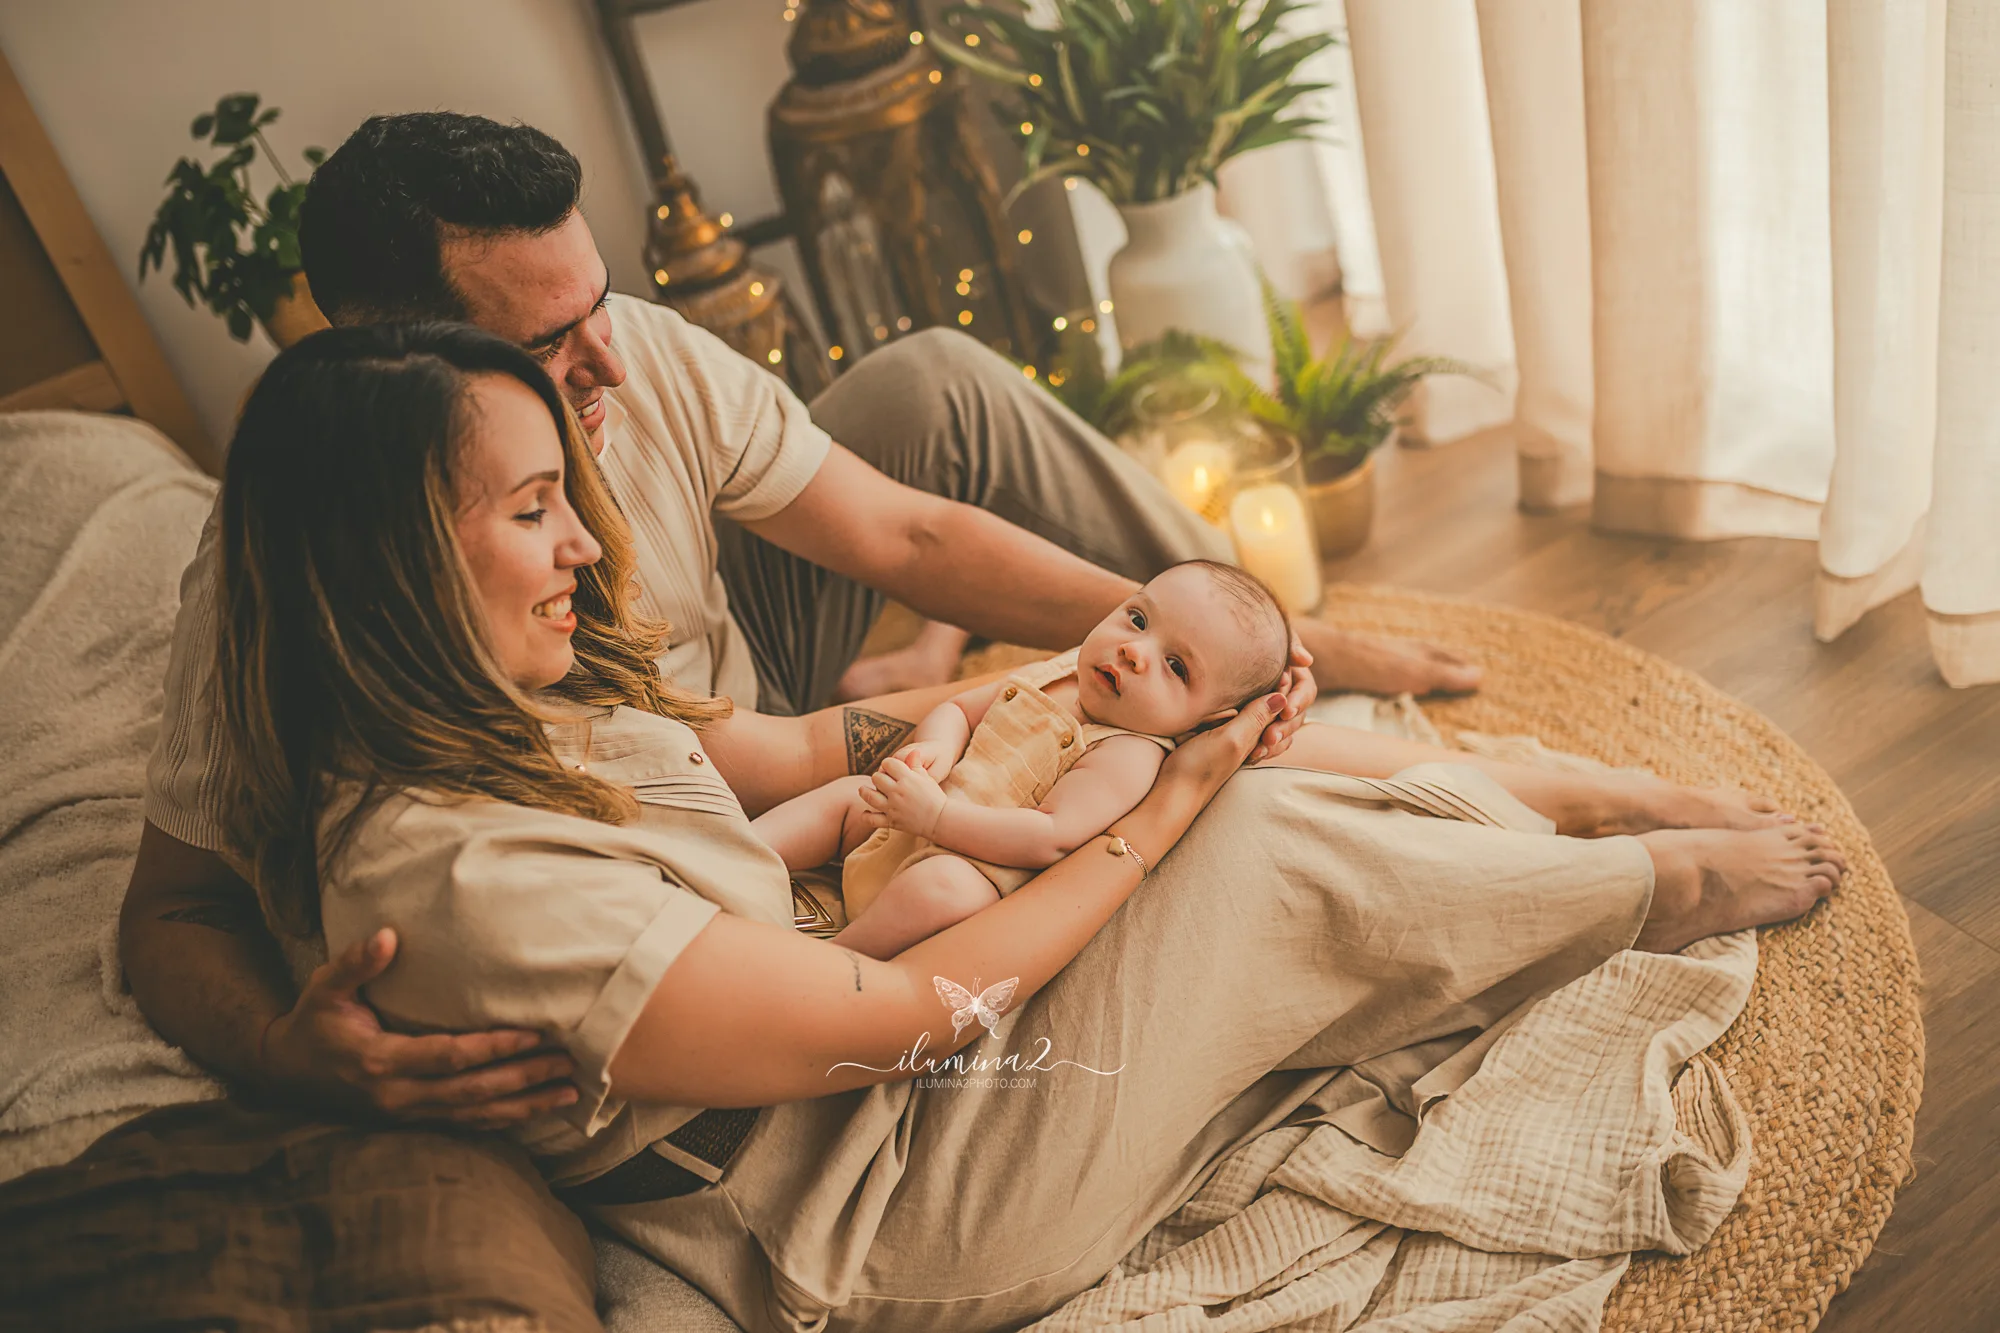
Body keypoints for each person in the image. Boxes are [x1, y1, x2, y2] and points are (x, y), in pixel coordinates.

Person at [206, 325, 1840, 1331]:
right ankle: (1636, 880)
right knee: (1234, 840)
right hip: (862, 1203)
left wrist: (1017, 699)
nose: (581, 541)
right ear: (392, 556)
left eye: (568, 490)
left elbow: (772, 760)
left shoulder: (522, 699)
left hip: (867, 1045)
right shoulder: (465, 874)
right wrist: (1162, 804)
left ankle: (1528, 814)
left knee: (1208, 790)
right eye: (530, 506)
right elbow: (920, 1011)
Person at [122, 110, 1484, 1129]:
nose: (610, 359)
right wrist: (279, 1050)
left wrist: (1169, 669)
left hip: (749, 705)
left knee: (941, 383)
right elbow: (173, 909)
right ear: (401, 361)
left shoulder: (627, 350)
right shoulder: (297, 600)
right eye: (549, 344)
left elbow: (904, 531)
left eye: (600, 304)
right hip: (712, 775)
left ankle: (1272, 637)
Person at [754, 560, 1293, 958]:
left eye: (1176, 666)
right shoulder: (1062, 672)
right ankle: (740, 853)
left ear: (1211, 723)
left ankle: (837, 960)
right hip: (912, 818)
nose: (1135, 650)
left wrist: (938, 818)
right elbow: (960, 710)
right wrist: (936, 748)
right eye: (1137, 619)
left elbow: (1048, 835)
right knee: (850, 796)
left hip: (971, 866)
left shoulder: (1130, 755)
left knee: (939, 890)